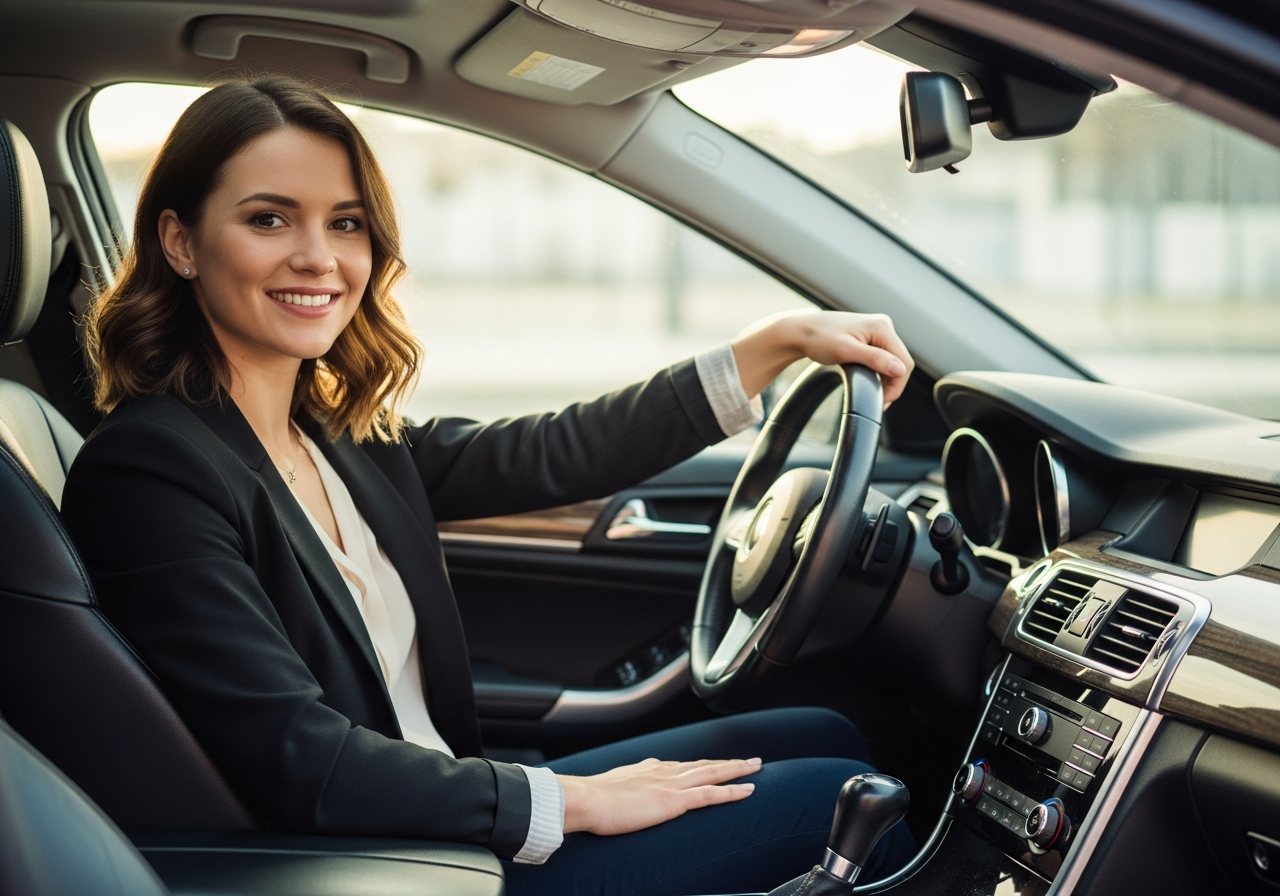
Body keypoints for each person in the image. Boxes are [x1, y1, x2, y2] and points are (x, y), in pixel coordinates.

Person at [62, 76, 917, 896]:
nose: (319, 258)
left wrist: (771, 344)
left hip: (439, 812)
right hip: (385, 866)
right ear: (179, 241)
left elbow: (551, 452)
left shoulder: (331, 431)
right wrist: (572, 802)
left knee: (823, 731)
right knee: (842, 805)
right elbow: (296, 754)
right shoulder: (150, 470)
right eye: (269, 218)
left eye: (346, 222)